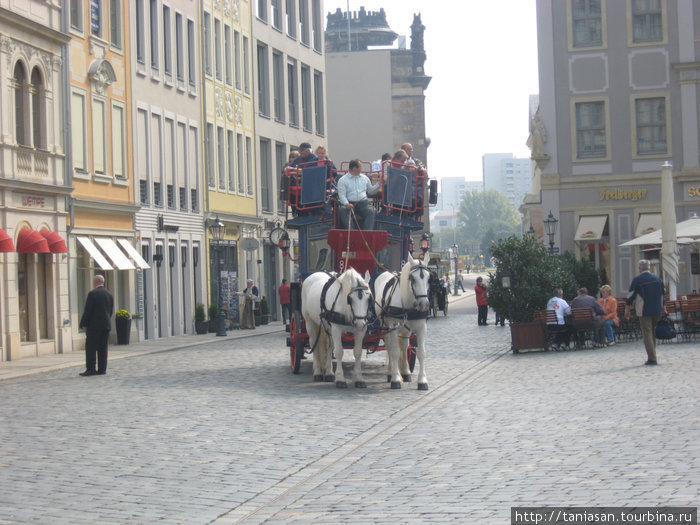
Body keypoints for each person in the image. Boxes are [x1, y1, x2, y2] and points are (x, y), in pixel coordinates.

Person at [626, 259, 666, 365]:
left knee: (647, 333)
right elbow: (663, 294)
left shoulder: (637, 280)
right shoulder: (658, 278)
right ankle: (653, 354)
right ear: (649, 267)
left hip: (644, 310)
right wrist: (664, 307)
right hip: (657, 309)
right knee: (652, 332)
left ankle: (652, 358)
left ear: (639, 268)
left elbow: (630, 296)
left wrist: (627, 307)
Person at [79, 274, 114, 376]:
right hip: (106, 325)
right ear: (102, 282)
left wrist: (84, 323)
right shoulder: (109, 294)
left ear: (95, 282)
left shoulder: (93, 293)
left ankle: (91, 369)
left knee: (91, 347)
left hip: (94, 326)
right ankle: (102, 369)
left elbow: (88, 310)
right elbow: (110, 311)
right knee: (103, 348)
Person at [337, 158, 381, 230]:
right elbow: (342, 195)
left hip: (363, 204)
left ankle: (367, 234)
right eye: (360, 167)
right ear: (354, 168)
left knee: (371, 210)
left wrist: (379, 183)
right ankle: (351, 233)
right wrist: (346, 204)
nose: (361, 169)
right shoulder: (342, 180)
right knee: (342, 210)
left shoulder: (365, 178)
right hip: (349, 204)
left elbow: (370, 191)